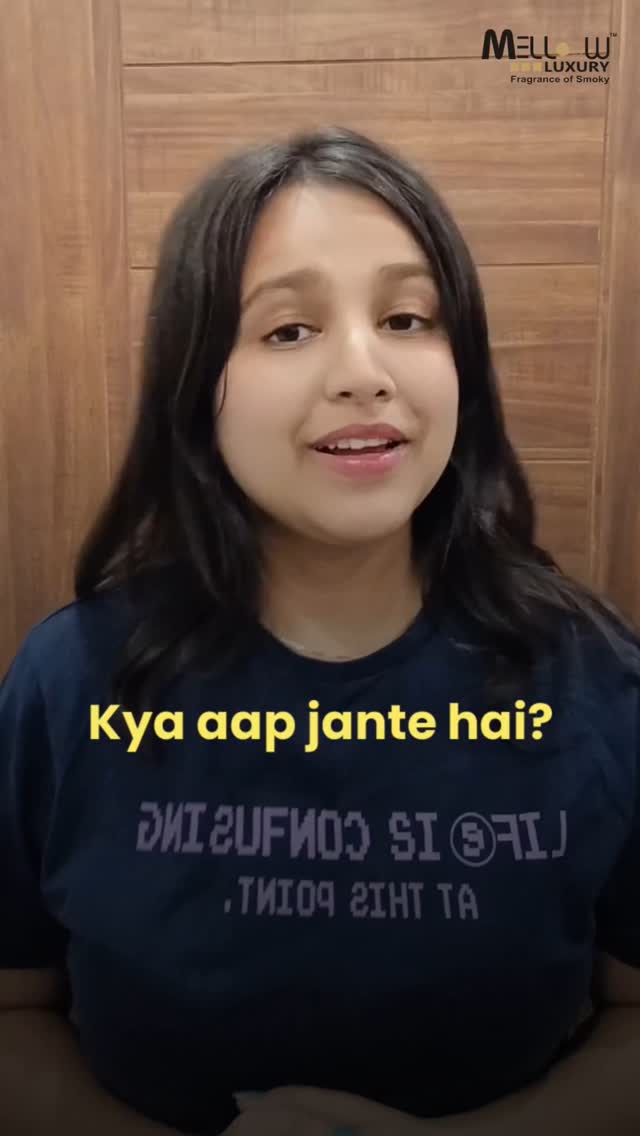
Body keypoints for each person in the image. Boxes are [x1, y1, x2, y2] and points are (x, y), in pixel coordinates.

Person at [1, 125, 639, 1136]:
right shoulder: (69, 681)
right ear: (196, 384)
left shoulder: (594, 679)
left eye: (407, 318)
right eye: (289, 330)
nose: (362, 372)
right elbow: (14, 1012)